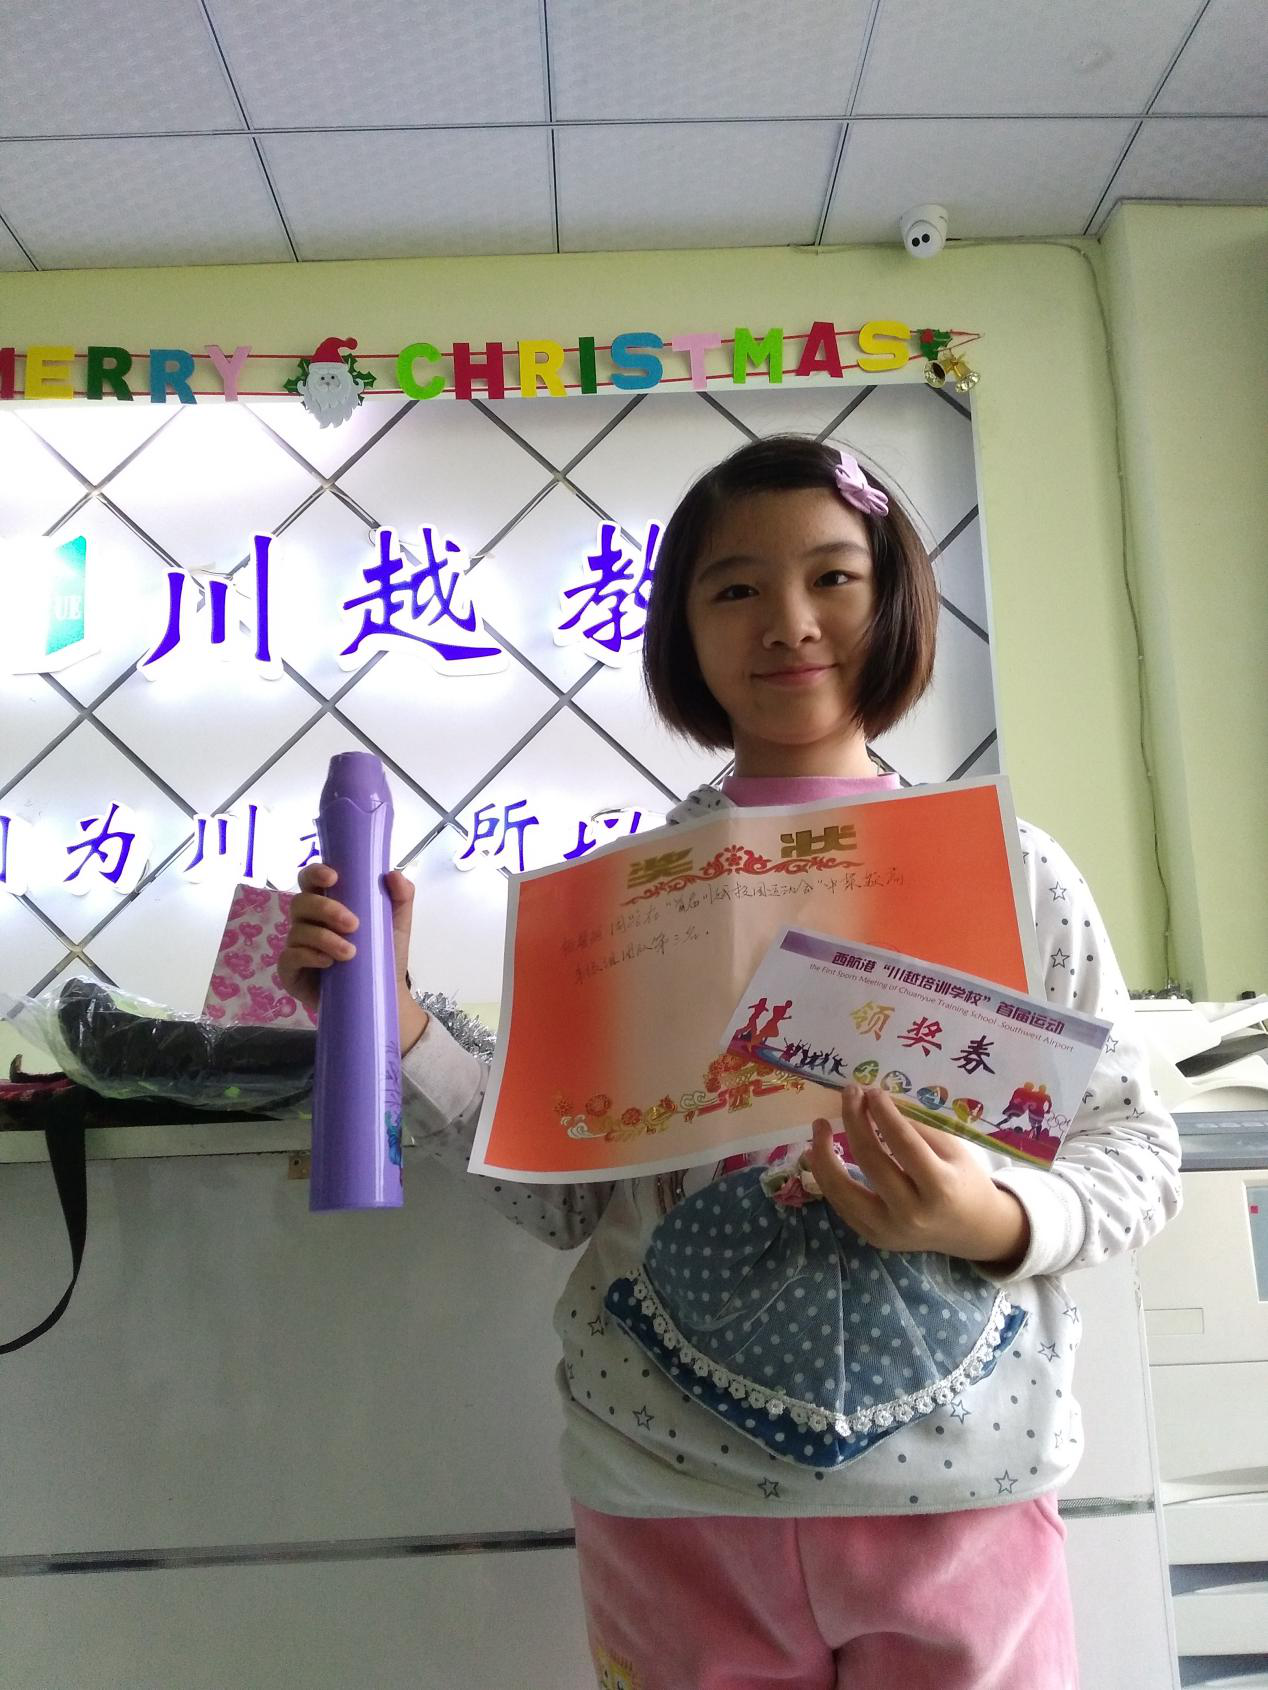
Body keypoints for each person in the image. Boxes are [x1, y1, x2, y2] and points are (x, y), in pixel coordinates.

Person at [279, 435, 1182, 1690]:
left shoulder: (1012, 871)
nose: (789, 622)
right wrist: (395, 1027)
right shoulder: (620, 903)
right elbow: (563, 1200)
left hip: (962, 1487)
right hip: (670, 1494)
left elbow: (1130, 1142)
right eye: (735, 587)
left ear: (896, 600)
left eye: (833, 577)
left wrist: (991, 1215)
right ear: (682, 632)